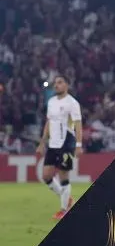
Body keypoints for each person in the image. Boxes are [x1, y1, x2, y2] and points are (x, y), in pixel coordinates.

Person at [36, 75, 83, 219]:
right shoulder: (51, 102)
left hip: (66, 142)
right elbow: (48, 122)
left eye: (60, 82)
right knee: (46, 176)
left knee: (63, 176)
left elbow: (78, 125)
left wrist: (79, 145)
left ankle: (63, 210)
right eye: (55, 83)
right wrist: (42, 142)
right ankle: (67, 199)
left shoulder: (72, 103)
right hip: (53, 143)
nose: (56, 85)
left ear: (67, 85)